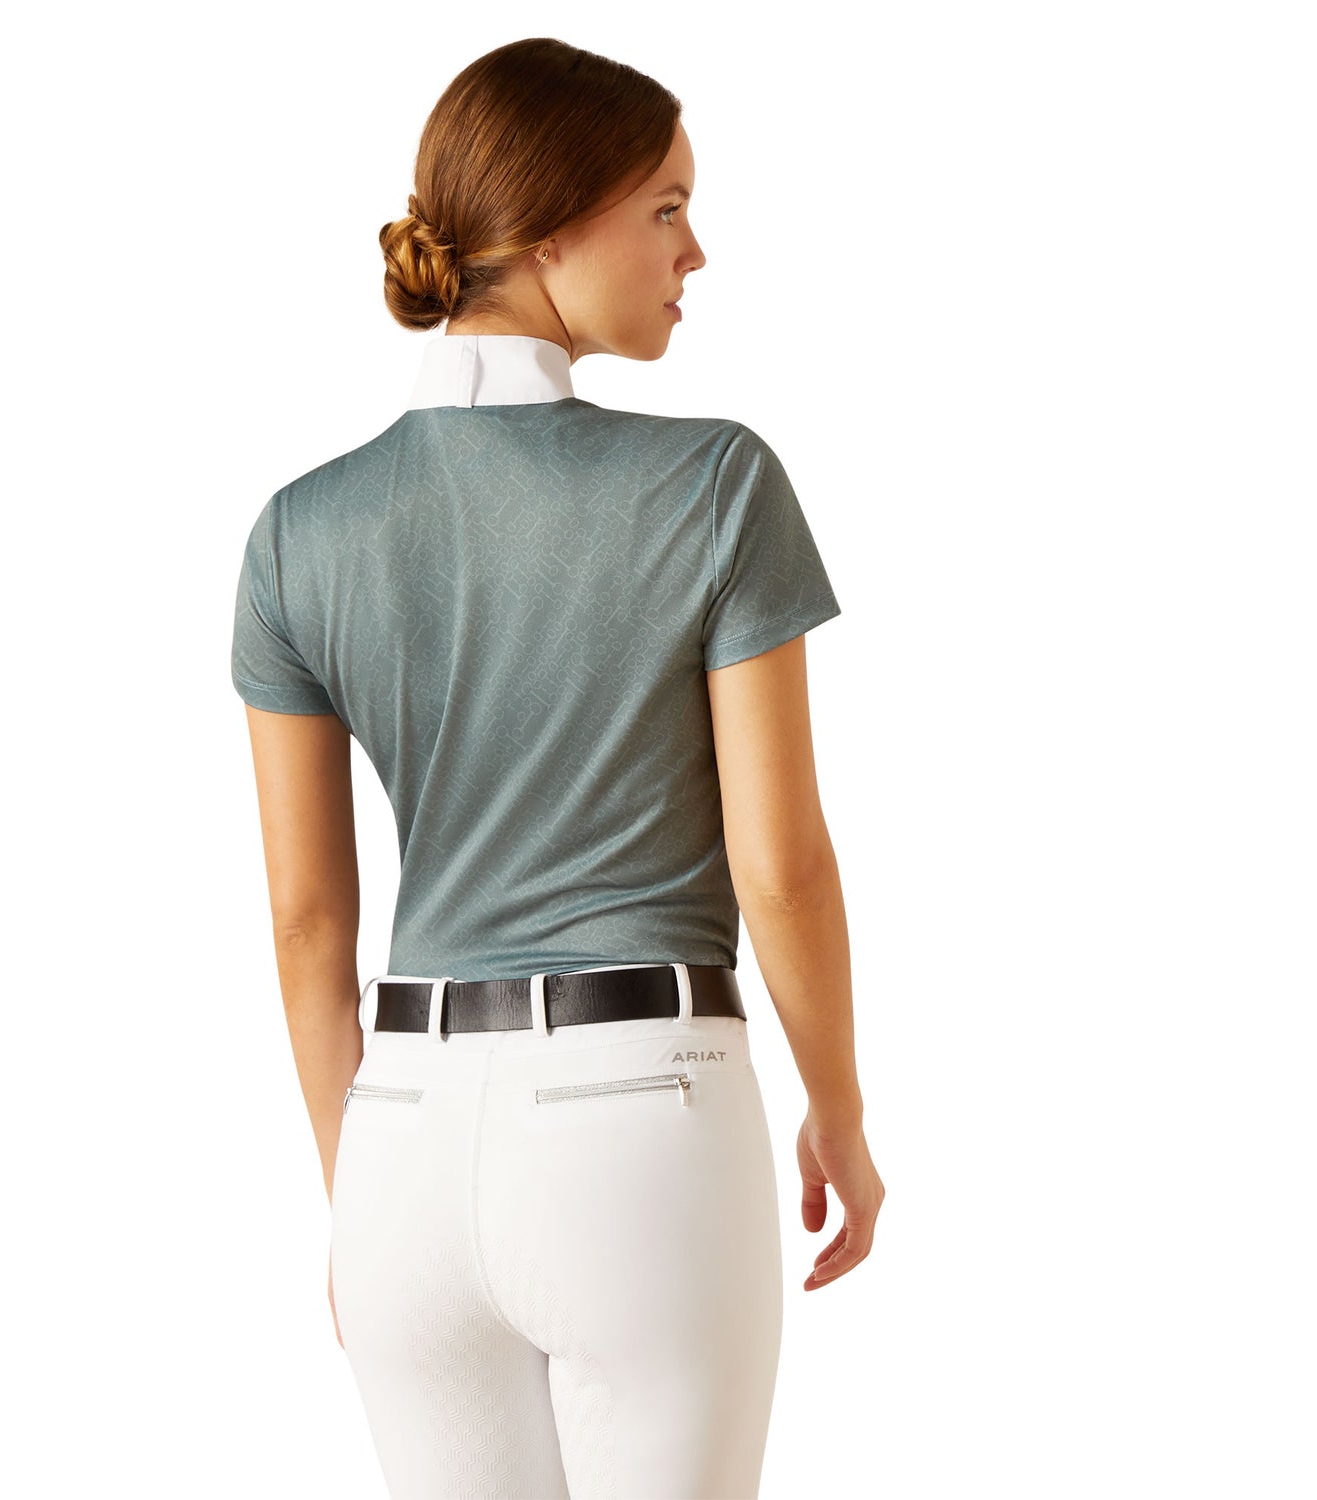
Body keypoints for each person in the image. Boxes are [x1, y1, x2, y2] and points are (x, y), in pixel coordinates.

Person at [231, 35, 884, 1500]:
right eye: (667, 208)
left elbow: (307, 924)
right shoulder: (713, 484)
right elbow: (781, 866)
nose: (695, 251)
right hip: (639, 1119)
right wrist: (838, 1113)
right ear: (549, 228)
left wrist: (359, 1191)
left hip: (399, 1139)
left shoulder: (297, 533)